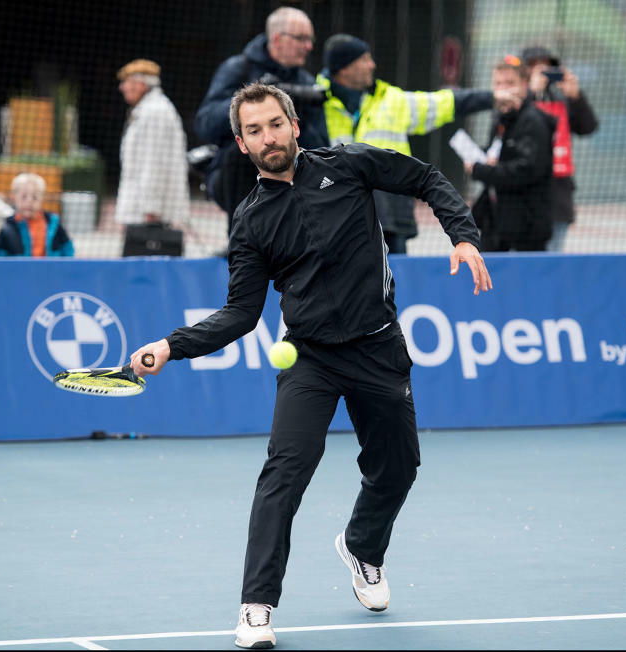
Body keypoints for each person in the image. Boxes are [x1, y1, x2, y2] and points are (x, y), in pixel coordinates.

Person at [128, 83, 492, 650]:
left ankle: (362, 548)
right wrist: (172, 346)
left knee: (398, 467)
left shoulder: (347, 165)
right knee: (284, 474)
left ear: (295, 126)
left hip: (378, 347)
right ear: (241, 143)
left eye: (275, 124)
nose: (267, 137)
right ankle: (256, 606)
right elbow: (242, 314)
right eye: (254, 130)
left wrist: (463, 237)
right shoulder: (250, 222)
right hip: (311, 360)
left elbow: (424, 177)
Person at [317, 33, 520, 254]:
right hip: (339, 220)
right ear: (344, 68)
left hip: (391, 221)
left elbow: (444, 103)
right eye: (364, 59)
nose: (372, 65)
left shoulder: (391, 100)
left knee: (395, 283)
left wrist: (490, 98)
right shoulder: (313, 105)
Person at [194, 6, 328, 242]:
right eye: (301, 39)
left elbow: (320, 147)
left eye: (310, 40)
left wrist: (296, 117)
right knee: (250, 150)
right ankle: (241, 242)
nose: (308, 46)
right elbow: (205, 124)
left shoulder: (306, 83)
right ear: (277, 39)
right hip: (235, 179)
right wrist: (251, 101)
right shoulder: (239, 68)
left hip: (290, 181)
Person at [465, 56, 556, 252]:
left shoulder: (532, 121)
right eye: (498, 83)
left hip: (525, 231)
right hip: (496, 225)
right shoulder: (500, 119)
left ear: (524, 85)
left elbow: (527, 169)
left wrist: (480, 170)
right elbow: (499, 154)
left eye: (510, 83)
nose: (503, 89)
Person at [521, 45, 599, 252]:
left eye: (546, 66)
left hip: (557, 196)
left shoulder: (561, 99)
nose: (541, 71)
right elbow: (507, 125)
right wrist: (531, 93)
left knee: (552, 258)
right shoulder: (517, 98)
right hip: (524, 196)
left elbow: (588, 127)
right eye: (534, 66)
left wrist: (576, 97)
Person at [113, 58, 190, 251]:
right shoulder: (149, 109)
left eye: (126, 82)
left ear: (140, 84)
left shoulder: (154, 112)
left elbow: (154, 163)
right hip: (144, 210)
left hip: (148, 214)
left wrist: (152, 209)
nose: (122, 87)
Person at [0, 173, 74, 257]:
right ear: (14, 197)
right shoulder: (7, 228)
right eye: (24, 196)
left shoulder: (54, 223)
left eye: (35, 197)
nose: (29, 201)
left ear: (42, 198)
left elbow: (67, 250)